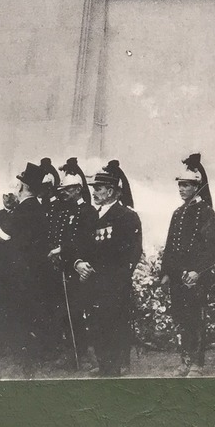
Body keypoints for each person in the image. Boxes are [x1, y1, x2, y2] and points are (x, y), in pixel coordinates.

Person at [73, 160, 143, 377]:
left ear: (111, 191)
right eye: (94, 188)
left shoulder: (126, 216)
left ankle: (114, 366)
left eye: (99, 189)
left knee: (114, 324)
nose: (94, 192)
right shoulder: (92, 216)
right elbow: (80, 246)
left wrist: (116, 278)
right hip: (92, 283)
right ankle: (104, 364)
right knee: (96, 323)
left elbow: (132, 252)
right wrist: (79, 263)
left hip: (114, 284)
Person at [160, 153, 215, 377]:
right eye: (180, 185)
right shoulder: (178, 213)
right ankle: (184, 361)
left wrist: (198, 272)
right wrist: (166, 272)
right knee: (181, 319)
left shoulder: (206, 213)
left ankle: (197, 363)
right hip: (177, 276)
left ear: (197, 187)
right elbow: (170, 245)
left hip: (195, 277)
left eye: (186, 185)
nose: (182, 189)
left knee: (195, 319)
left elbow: (210, 248)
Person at [0, 161, 49, 376]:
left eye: (18, 185)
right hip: (32, 272)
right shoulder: (37, 209)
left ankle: (26, 360)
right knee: (26, 316)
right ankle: (28, 356)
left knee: (20, 316)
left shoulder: (23, 210)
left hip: (18, 273)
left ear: (23, 188)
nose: (16, 189)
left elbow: (1, 237)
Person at [45, 158, 97, 366]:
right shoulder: (64, 211)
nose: (63, 193)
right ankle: (71, 353)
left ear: (77, 189)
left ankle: (84, 354)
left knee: (77, 312)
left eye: (66, 190)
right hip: (65, 267)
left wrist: (63, 250)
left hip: (80, 269)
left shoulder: (88, 212)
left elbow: (84, 242)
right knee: (65, 312)